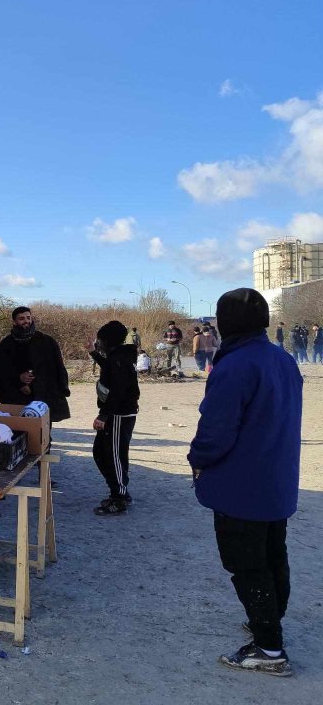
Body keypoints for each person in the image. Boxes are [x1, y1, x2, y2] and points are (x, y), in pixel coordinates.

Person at [187, 288, 301, 676]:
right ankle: (269, 620)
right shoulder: (282, 359)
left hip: (242, 484)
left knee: (247, 563)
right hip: (275, 479)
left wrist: (197, 461)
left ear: (226, 322)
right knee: (273, 555)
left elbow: (216, 430)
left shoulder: (235, 366)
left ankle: (269, 648)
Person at [88, 321, 139, 515]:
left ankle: (119, 498)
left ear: (107, 340)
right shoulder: (118, 357)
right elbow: (109, 368)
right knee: (100, 452)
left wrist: (103, 415)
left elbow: (117, 390)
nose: (98, 342)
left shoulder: (119, 359)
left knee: (113, 455)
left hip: (119, 414)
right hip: (116, 413)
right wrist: (93, 353)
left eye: (100, 339)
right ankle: (118, 490)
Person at [0, 306, 71, 422]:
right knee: (20, 431)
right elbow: (0, 370)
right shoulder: (6, 345)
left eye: (28, 317)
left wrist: (63, 388)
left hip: (43, 395)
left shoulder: (47, 341)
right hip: (16, 397)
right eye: (21, 318)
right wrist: (19, 379)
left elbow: (58, 366)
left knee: (43, 433)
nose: (26, 321)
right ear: (14, 322)